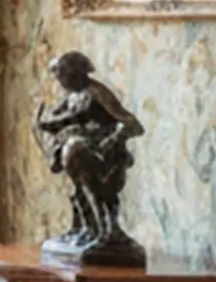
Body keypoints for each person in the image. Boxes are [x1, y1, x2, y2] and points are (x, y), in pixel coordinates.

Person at [37, 51, 145, 263]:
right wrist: (46, 123)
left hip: (103, 157)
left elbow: (132, 125)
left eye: (62, 75)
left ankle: (108, 232)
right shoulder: (73, 95)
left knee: (98, 192)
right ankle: (88, 229)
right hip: (80, 156)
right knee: (79, 193)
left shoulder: (97, 93)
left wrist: (111, 141)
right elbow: (59, 119)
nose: (59, 81)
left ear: (76, 73)